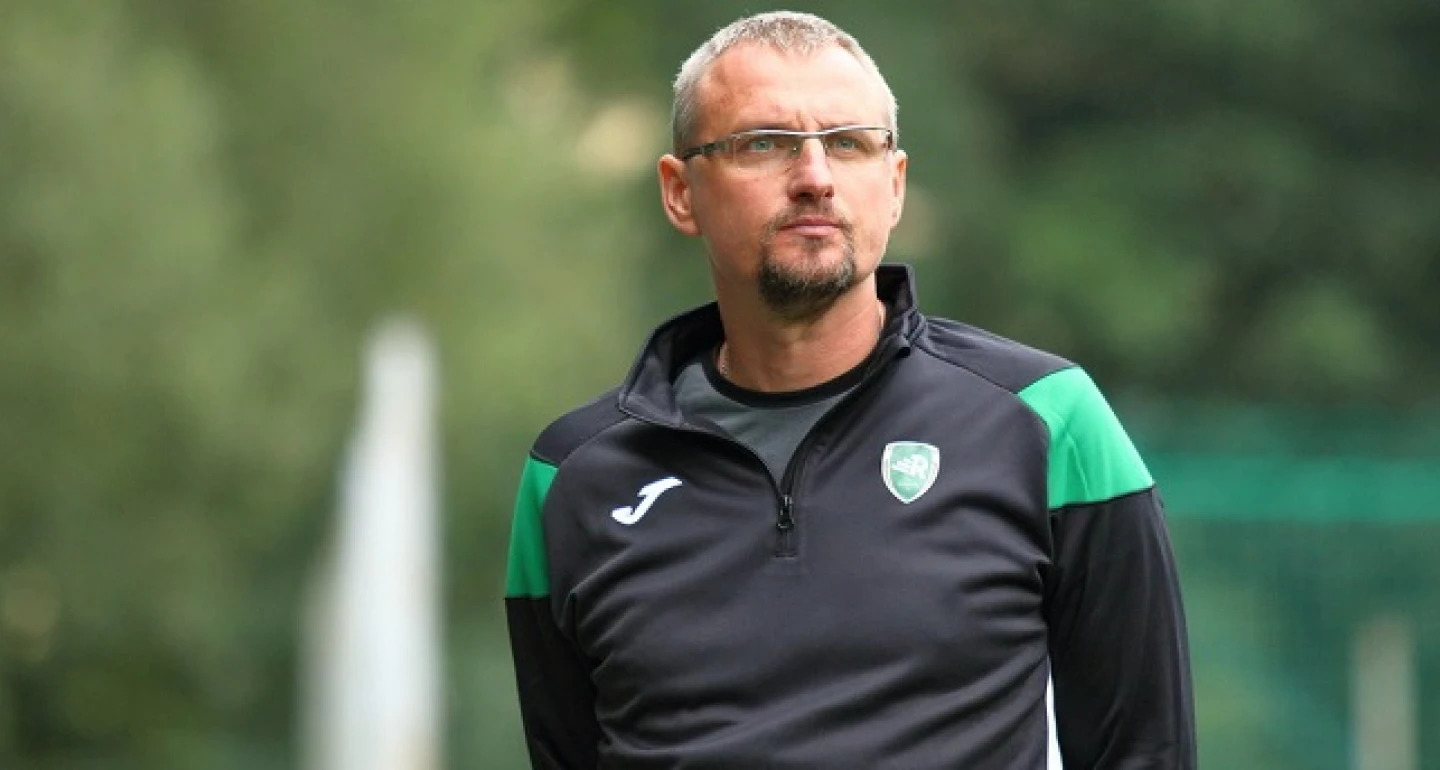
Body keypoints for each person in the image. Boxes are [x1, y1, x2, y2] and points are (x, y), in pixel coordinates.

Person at [505, 10, 1195, 769]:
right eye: (764, 143)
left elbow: (1146, 751)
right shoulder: (570, 476)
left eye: (849, 143)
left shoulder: (1048, 420)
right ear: (681, 193)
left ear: (893, 186)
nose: (814, 178)